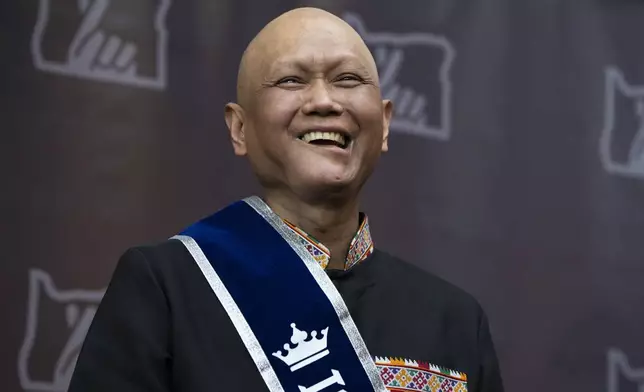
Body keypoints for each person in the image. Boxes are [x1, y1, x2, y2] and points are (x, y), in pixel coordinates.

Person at [69, 7, 504, 392]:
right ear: (240, 128)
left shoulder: (454, 320)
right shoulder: (166, 289)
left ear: (385, 122)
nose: (323, 101)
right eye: (291, 80)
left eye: (347, 79)